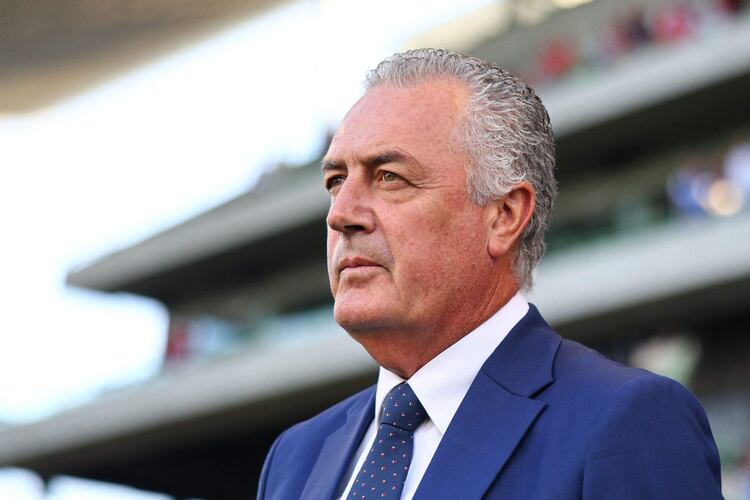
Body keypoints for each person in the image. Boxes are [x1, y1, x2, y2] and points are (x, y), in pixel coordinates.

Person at [257, 48, 722, 499]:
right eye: (336, 181)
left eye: (389, 176)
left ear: (503, 216)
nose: (341, 214)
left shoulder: (626, 420)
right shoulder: (295, 458)